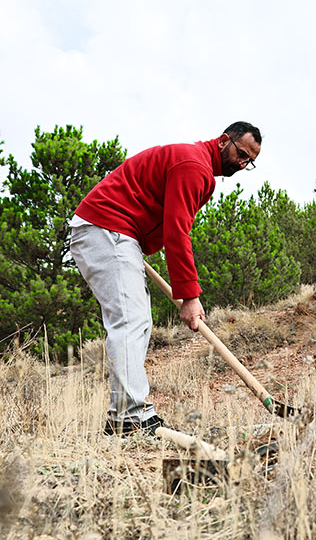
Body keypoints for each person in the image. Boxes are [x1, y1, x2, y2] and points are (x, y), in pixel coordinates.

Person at [70, 121, 262, 435]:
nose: (242, 164)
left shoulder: (197, 167)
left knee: (137, 319)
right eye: (241, 154)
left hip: (116, 232)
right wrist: (190, 296)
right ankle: (129, 419)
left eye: (249, 162)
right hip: (106, 227)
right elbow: (176, 233)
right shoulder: (193, 166)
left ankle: (131, 414)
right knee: (130, 320)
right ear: (223, 140)